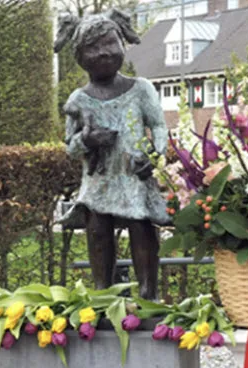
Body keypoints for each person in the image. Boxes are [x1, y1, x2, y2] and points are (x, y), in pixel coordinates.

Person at [56, 10, 168, 300]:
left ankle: (148, 293)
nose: (103, 53)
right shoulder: (78, 101)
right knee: (98, 231)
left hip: (134, 174)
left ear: (122, 43)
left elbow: (158, 126)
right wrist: (87, 140)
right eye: (93, 48)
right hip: (100, 179)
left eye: (110, 43)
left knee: (142, 228)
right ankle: (102, 293)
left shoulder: (141, 89)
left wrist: (155, 155)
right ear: (79, 56)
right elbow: (70, 147)